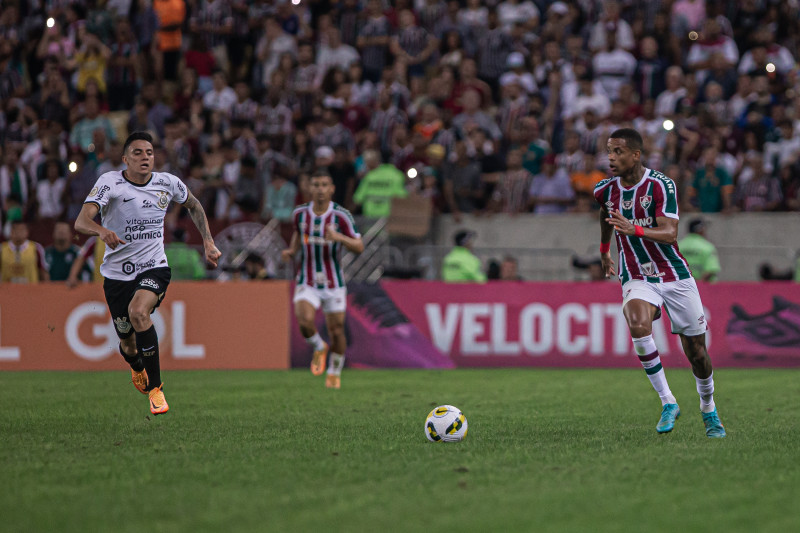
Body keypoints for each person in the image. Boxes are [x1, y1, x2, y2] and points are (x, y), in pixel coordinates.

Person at [74, 132, 221, 416]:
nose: (145, 157)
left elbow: (193, 204)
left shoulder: (168, 183)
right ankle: (136, 365)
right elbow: (82, 221)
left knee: (139, 312)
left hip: (154, 266)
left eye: (150, 153)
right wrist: (102, 231)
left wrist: (208, 241)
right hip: (116, 275)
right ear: (125, 159)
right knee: (128, 344)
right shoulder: (110, 182)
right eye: (138, 153)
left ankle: (156, 390)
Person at [595, 128, 725, 438]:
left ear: (635, 155)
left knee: (697, 354)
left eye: (618, 151)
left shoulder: (660, 185)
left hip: (674, 274)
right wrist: (604, 250)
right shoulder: (604, 189)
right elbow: (605, 213)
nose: (611, 158)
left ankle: (708, 408)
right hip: (636, 273)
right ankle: (668, 401)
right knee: (638, 324)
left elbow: (670, 233)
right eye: (609, 151)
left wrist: (634, 230)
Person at [281, 170, 364, 390]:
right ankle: (319, 346)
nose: (320, 189)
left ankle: (334, 371)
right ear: (310, 188)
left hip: (333, 282)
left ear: (332, 189)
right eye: (316, 185)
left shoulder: (341, 216)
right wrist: (292, 250)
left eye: (324, 185)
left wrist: (339, 237)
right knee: (304, 320)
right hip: (307, 279)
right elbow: (298, 233)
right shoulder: (300, 214)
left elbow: (359, 246)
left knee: (336, 330)